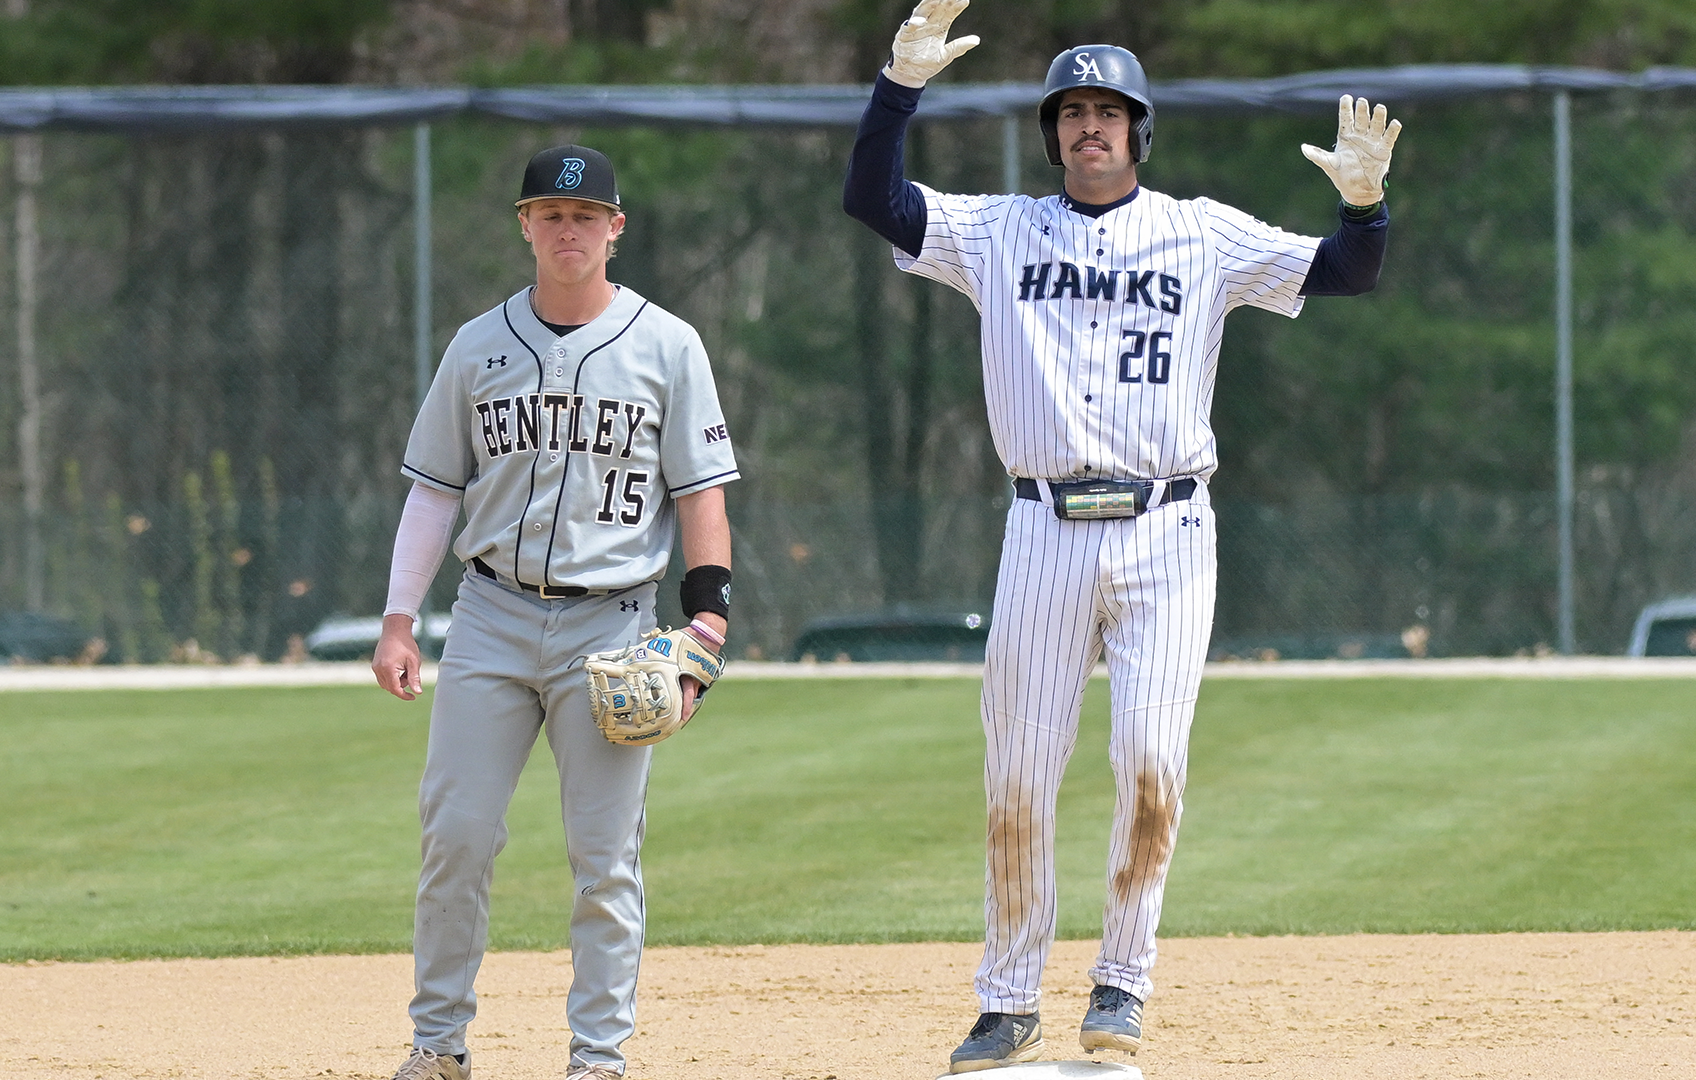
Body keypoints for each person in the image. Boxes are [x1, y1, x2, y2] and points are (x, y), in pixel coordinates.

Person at [843, 1, 1400, 1070]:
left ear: (1140, 131)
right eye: (1071, 112)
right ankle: (1007, 998)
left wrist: (1366, 206)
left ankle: (1120, 985)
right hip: (1043, 529)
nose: (1088, 126)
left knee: (1151, 760)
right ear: (1052, 132)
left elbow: (1346, 272)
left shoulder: (1202, 232)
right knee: (1020, 771)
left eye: (1109, 111)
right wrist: (896, 91)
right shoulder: (998, 230)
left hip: (1168, 529)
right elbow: (874, 200)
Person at [372, 144, 739, 1080]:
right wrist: (399, 618)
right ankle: (439, 1046)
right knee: (454, 836)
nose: (567, 229)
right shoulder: (476, 344)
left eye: (586, 215)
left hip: (613, 626)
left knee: (604, 858)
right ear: (525, 226)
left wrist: (707, 625)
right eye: (549, 213)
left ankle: (598, 1060)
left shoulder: (669, 344)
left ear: (616, 227)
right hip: (488, 618)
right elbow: (433, 491)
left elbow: (701, 494)